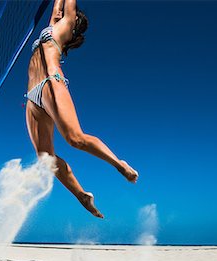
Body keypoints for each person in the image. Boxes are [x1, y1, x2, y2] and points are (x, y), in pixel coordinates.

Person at [25, 0, 139, 218]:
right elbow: (56, 7)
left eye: (68, 13)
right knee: (45, 157)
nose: (61, 13)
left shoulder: (66, 25)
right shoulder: (53, 26)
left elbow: (67, 6)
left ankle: (118, 163)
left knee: (75, 139)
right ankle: (81, 195)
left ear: (74, 22)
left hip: (51, 81)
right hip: (32, 97)